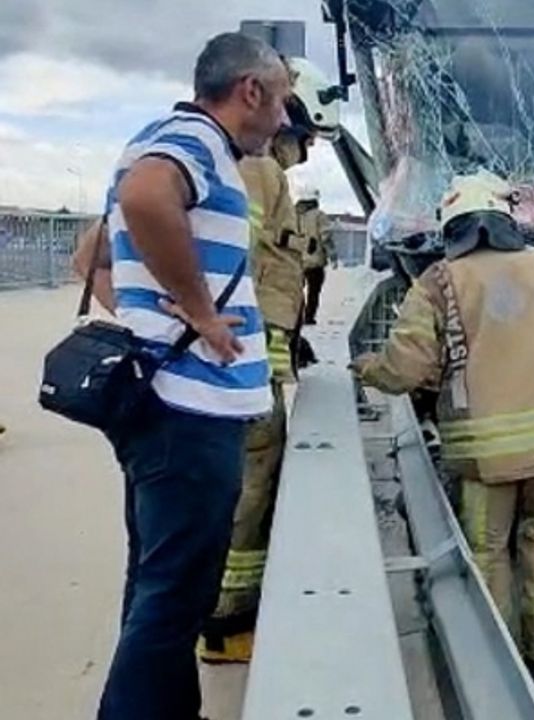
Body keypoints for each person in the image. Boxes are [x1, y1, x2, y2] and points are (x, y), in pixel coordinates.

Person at [94, 32, 289, 720]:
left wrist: (150, 316)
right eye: (281, 100)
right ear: (250, 92)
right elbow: (147, 197)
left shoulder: (150, 138)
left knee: (158, 585)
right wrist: (200, 313)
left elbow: (90, 258)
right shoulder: (196, 140)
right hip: (191, 409)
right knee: (176, 595)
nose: (283, 120)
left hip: (161, 398)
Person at [350, 170, 534, 670]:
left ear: (453, 225)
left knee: (487, 552)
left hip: (481, 457)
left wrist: (367, 368)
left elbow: (407, 369)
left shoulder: (437, 282)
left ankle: (497, 661)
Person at [198, 127, 309, 664]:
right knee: (250, 491)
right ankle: (228, 622)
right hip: (245, 369)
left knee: (240, 488)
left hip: (244, 360)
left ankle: (222, 615)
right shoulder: (259, 170)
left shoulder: (227, 166)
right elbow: (236, 258)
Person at [298, 187, 335, 324]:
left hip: (298, 261)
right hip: (315, 261)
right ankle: (309, 317)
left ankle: (296, 316)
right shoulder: (319, 216)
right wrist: (332, 254)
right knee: (313, 292)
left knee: (296, 291)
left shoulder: (294, 216)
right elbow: (326, 237)